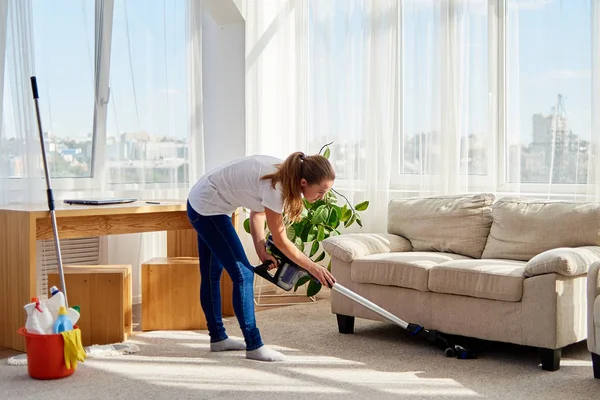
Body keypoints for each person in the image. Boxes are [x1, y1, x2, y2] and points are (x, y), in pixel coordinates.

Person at [186, 151, 337, 362]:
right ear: (304, 182)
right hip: (207, 208)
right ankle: (254, 345)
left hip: (206, 203)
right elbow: (283, 241)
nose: (323, 196)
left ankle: (218, 338)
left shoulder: (284, 173)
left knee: (213, 274)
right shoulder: (278, 185)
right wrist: (314, 268)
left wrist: (260, 247)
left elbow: (257, 212)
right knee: (243, 275)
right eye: (321, 191)